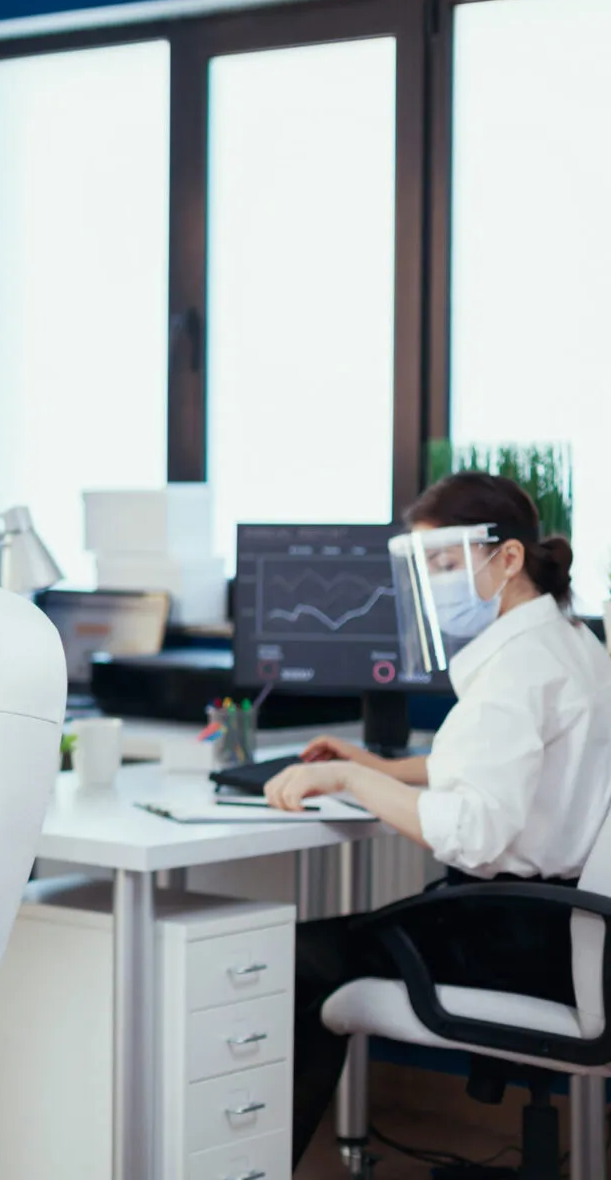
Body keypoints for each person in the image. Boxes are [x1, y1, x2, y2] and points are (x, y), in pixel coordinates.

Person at [262, 472, 611, 1162]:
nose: (433, 581)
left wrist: (348, 777)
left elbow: (473, 834)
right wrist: (386, 770)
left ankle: (264, 1167)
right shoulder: (570, 643)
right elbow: (522, 765)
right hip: (564, 929)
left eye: (445, 562)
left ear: (507, 557)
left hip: (516, 937)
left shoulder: (516, 668)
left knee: (296, 963)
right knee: (337, 941)